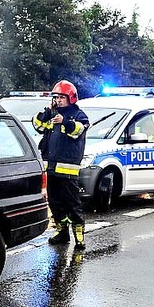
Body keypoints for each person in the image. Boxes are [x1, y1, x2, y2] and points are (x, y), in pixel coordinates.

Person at [33, 80, 90, 250]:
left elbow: (78, 130)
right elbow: (37, 125)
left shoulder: (78, 115)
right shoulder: (52, 113)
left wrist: (64, 121)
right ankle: (61, 232)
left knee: (72, 204)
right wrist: (46, 114)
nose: (58, 100)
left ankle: (79, 238)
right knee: (55, 203)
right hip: (50, 168)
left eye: (61, 97)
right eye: (56, 97)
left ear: (70, 98)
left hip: (67, 170)